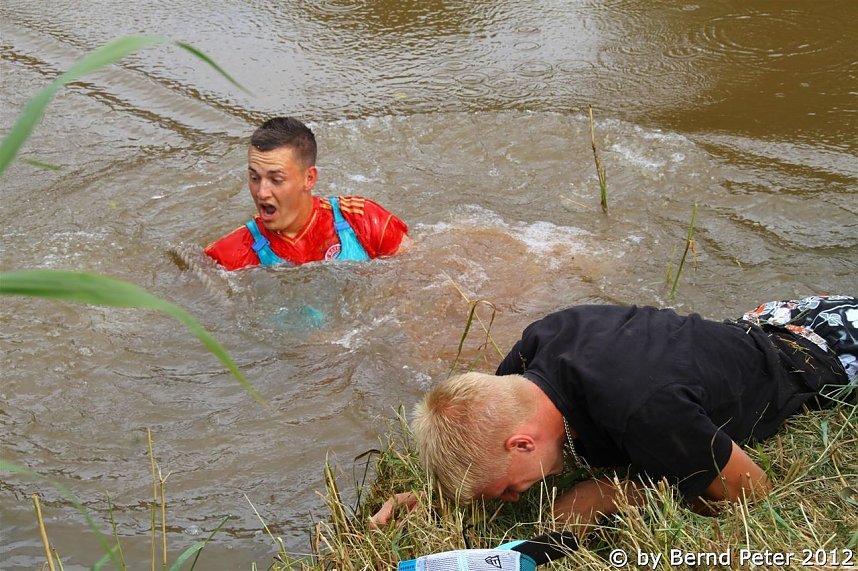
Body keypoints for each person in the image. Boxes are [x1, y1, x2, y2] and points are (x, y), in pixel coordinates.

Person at [370, 295, 857, 531]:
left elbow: (751, 490)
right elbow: (479, 427)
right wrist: (440, 491)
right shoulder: (534, 353)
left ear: (523, 444)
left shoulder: (643, 411)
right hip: (772, 316)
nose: (516, 498)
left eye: (510, 488)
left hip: (826, 352)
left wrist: (610, 492)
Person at [205, 116, 410, 270]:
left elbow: (419, 276)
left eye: (276, 180)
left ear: (309, 178)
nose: (262, 192)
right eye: (254, 178)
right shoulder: (231, 253)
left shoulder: (363, 220)